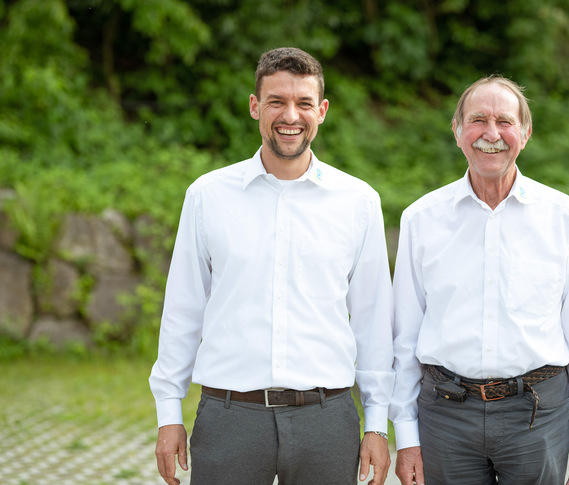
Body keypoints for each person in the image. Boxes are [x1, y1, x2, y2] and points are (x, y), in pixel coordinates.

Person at [150, 47, 394, 485]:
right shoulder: (207, 196)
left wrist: (376, 423)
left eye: (303, 103)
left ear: (321, 111)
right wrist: (169, 413)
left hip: (327, 421)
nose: (290, 115)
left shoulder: (359, 202)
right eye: (277, 101)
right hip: (229, 418)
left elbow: (374, 321)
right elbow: (182, 310)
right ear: (254, 106)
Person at [389, 75, 569, 485]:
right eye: (478, 120)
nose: (491, 134)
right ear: (457, 131)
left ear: (525, 134)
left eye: (505, 122)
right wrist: (405, 435)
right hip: (445, 418)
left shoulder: (566, 218)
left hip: (538, 416)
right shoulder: (420, 219)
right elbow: (405, 336)